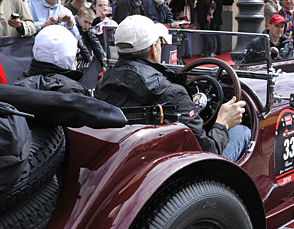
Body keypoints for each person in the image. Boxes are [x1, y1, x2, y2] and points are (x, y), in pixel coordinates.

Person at [95, 15, 249, 161]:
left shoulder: (103, 83)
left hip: (126, 159)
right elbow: (208, 151)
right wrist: (222, 123)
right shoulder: (171, 92)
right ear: (154, 49)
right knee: (242, 131)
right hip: (177, 170)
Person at [14, 24, 89, 95]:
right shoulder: (74, 92)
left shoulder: (18, 86)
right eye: (76, 54)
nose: (77, 58)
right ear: (65, 56)